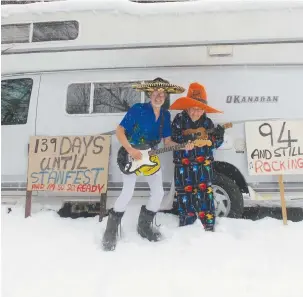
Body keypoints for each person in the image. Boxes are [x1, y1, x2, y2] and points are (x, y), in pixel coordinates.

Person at [102, 77, 194, 251]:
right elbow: (120, 130)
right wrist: (130, 149)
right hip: (131, 155)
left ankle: (144, 225)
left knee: (158, 193)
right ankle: (111, 229)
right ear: (150, 94)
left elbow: (167, 142)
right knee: (127, 193)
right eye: (156, 93)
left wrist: (184, 146)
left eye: (162, 94)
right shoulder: (138, 109)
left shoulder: (166, 115)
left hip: (150, 157)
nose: (159, 96)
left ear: (166, 96)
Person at [169, 82, 225, 231]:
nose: (196, 112)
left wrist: (218, 137)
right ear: (187, 107)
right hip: (183, 167)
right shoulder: (178, 120)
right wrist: (184, 142)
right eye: (193, 108)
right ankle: (188, 229)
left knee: (205, 197)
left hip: (203, 168)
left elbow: (214, 144)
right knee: (184, 198)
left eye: (200, 109)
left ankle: (208, 228)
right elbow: (172, 138)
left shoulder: (208, 122)